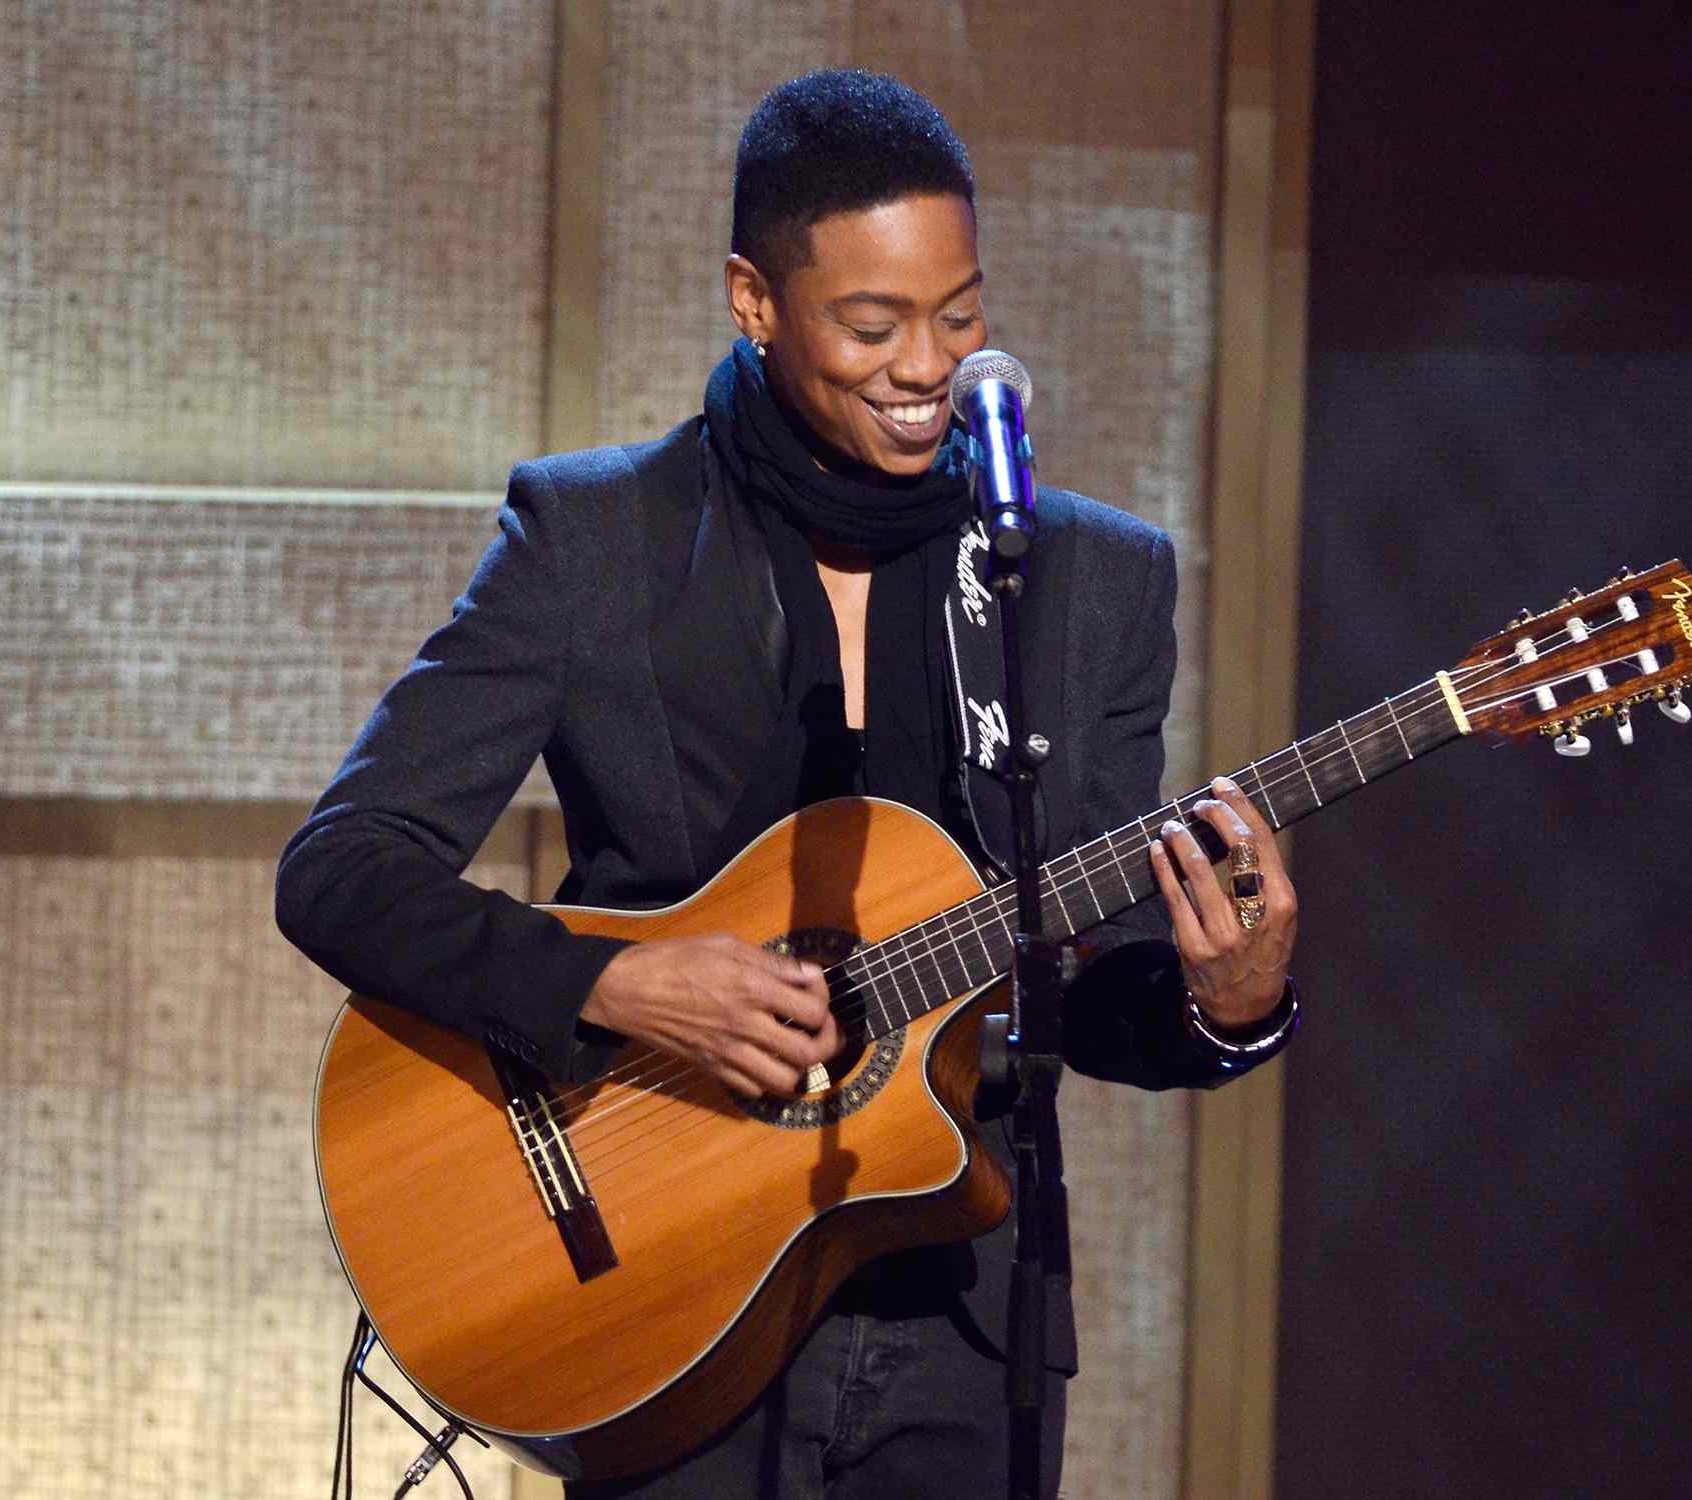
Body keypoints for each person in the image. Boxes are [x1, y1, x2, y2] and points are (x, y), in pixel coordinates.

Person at [277, 68, 1298, 1499]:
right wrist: (608, 984)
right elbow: (339, 870)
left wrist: (1228, 1005)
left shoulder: (1089, 582)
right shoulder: (596, 539)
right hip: (663, 1286)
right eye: (872, 325)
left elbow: (1092, 989)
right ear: (754, 302)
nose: (926, 365)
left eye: (959, 316)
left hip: (965, 1319)